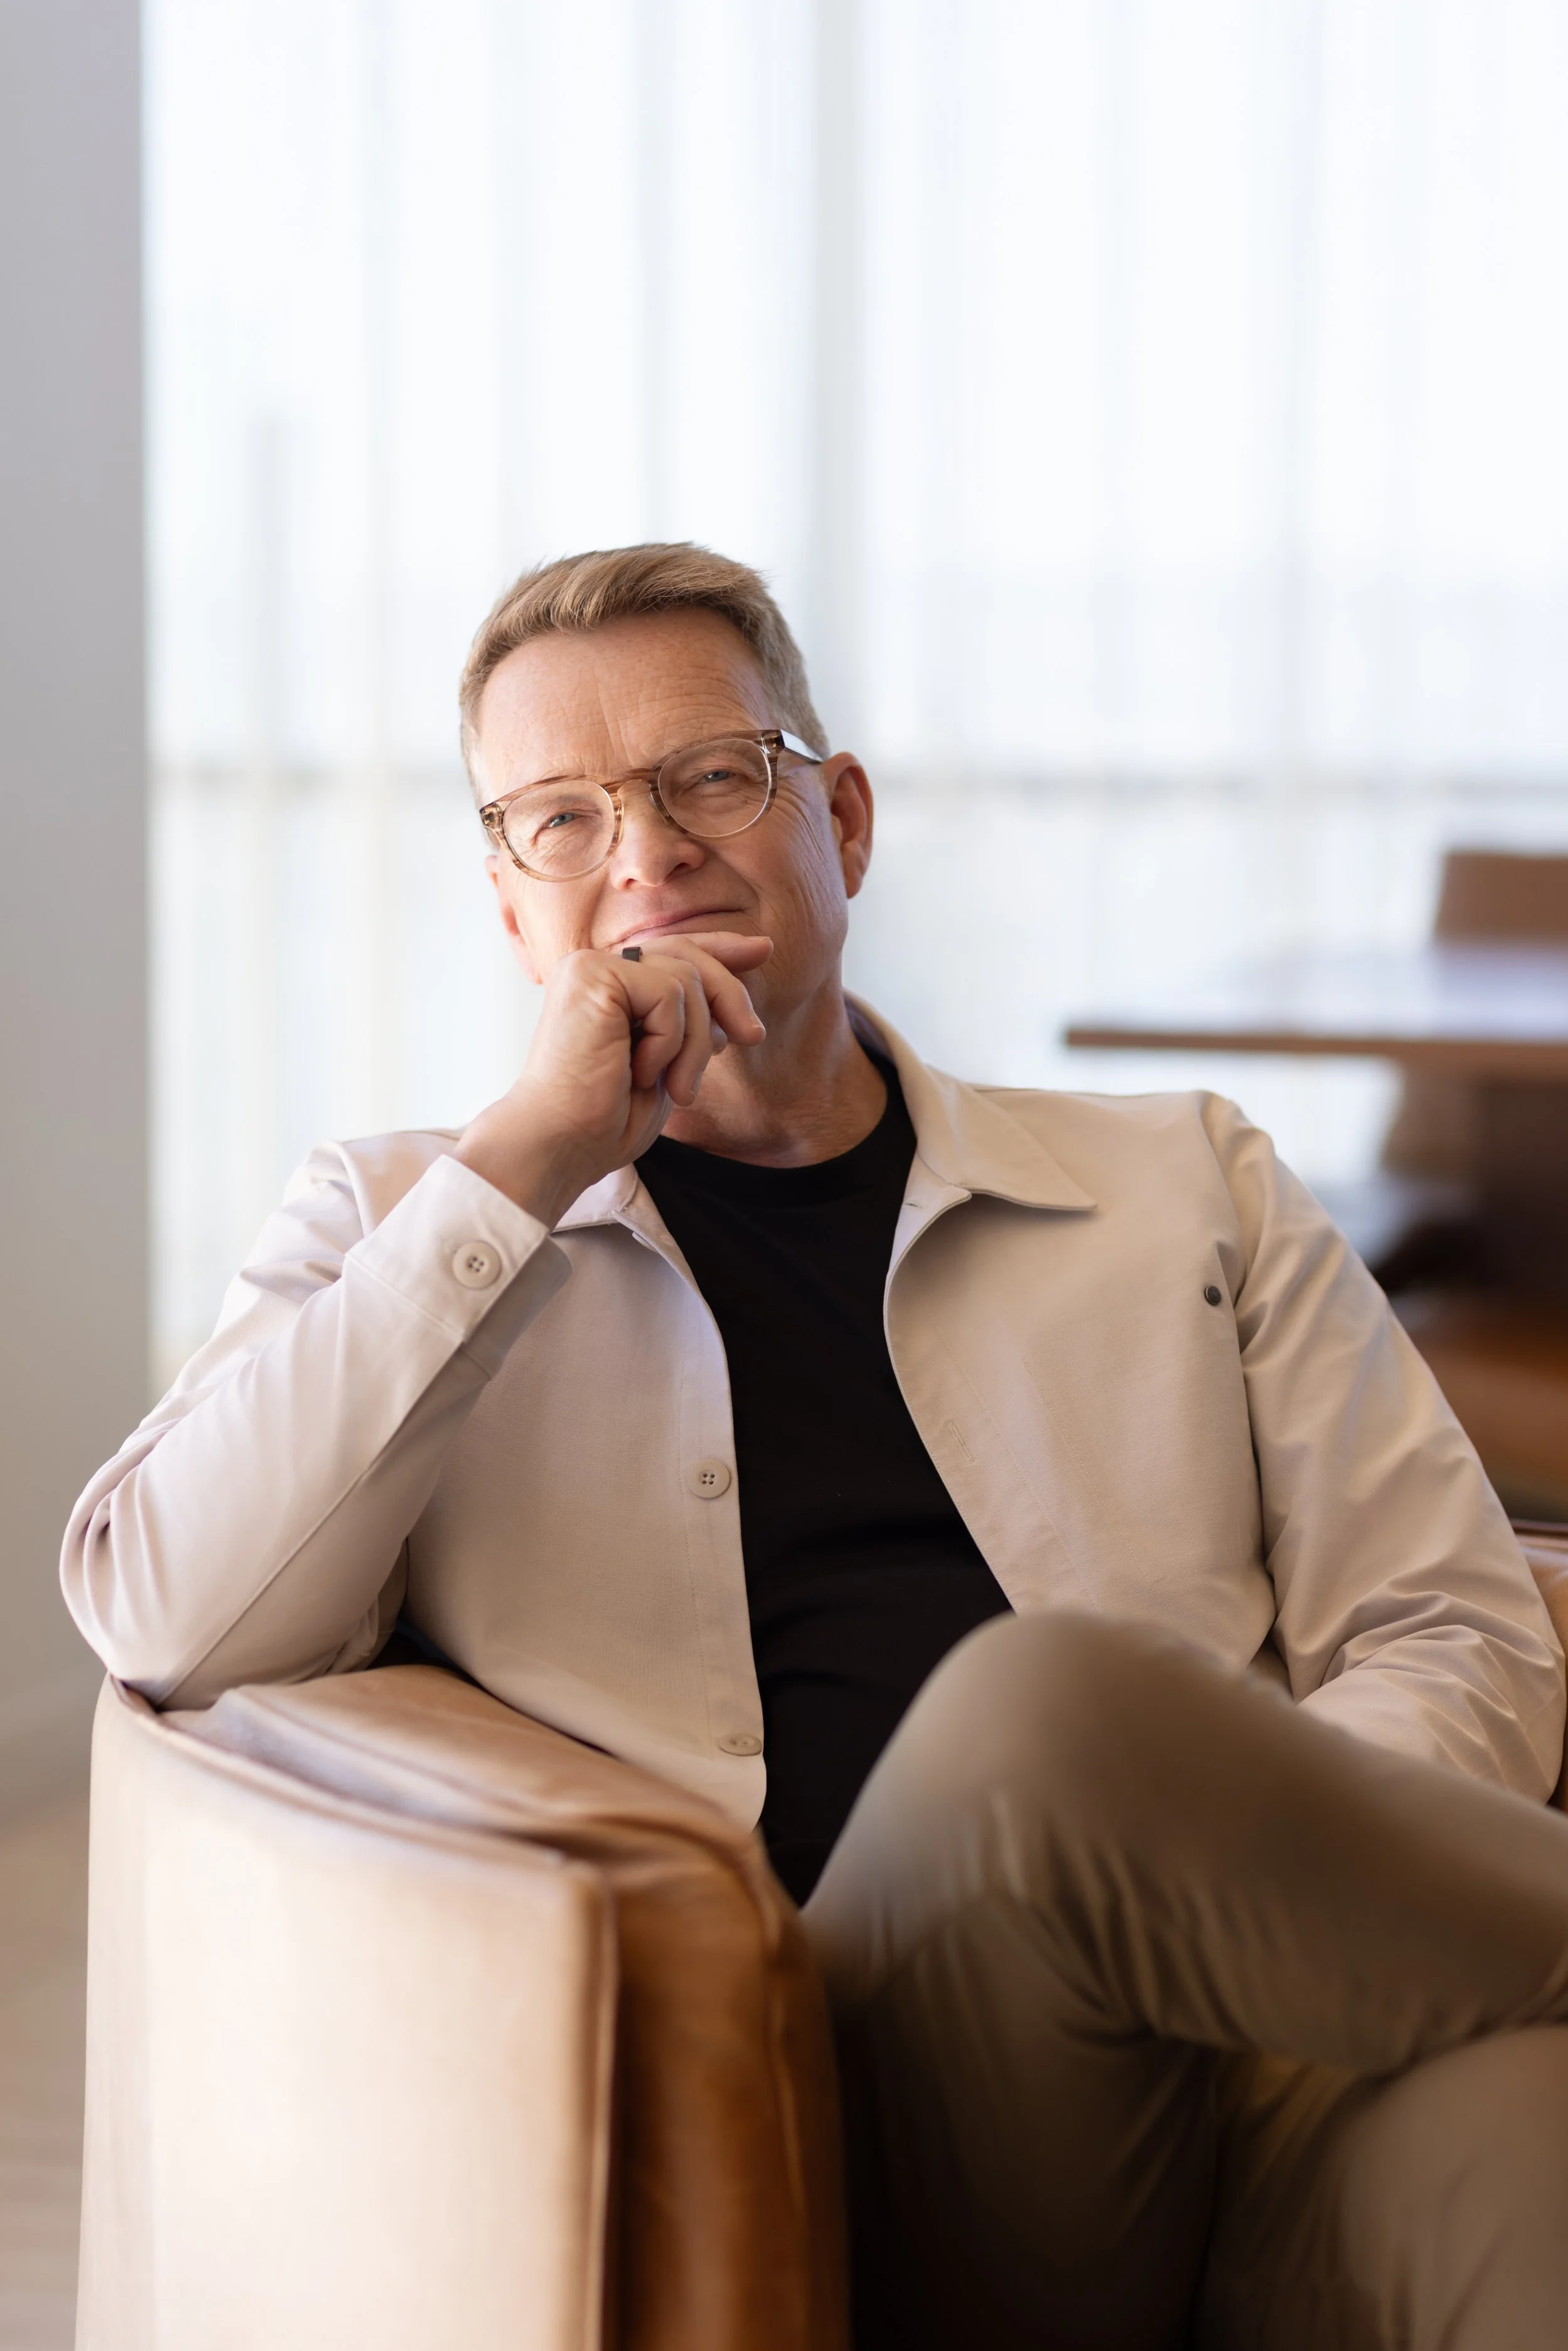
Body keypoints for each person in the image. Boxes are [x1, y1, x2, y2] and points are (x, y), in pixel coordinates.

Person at [63, 543, 1568, 2349]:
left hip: (1273, 2054)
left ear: (839, 820)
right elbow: (159, 1607)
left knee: (1527, 2135)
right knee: (1047, 1719)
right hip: (859, 2114)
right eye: (561, 819)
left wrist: (1260, 1888)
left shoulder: (1188, 1176)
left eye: (711, 776)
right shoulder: (402, 1222)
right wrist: (521, 1170)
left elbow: (1447, 1621)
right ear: (512, 908)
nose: (646, 852)